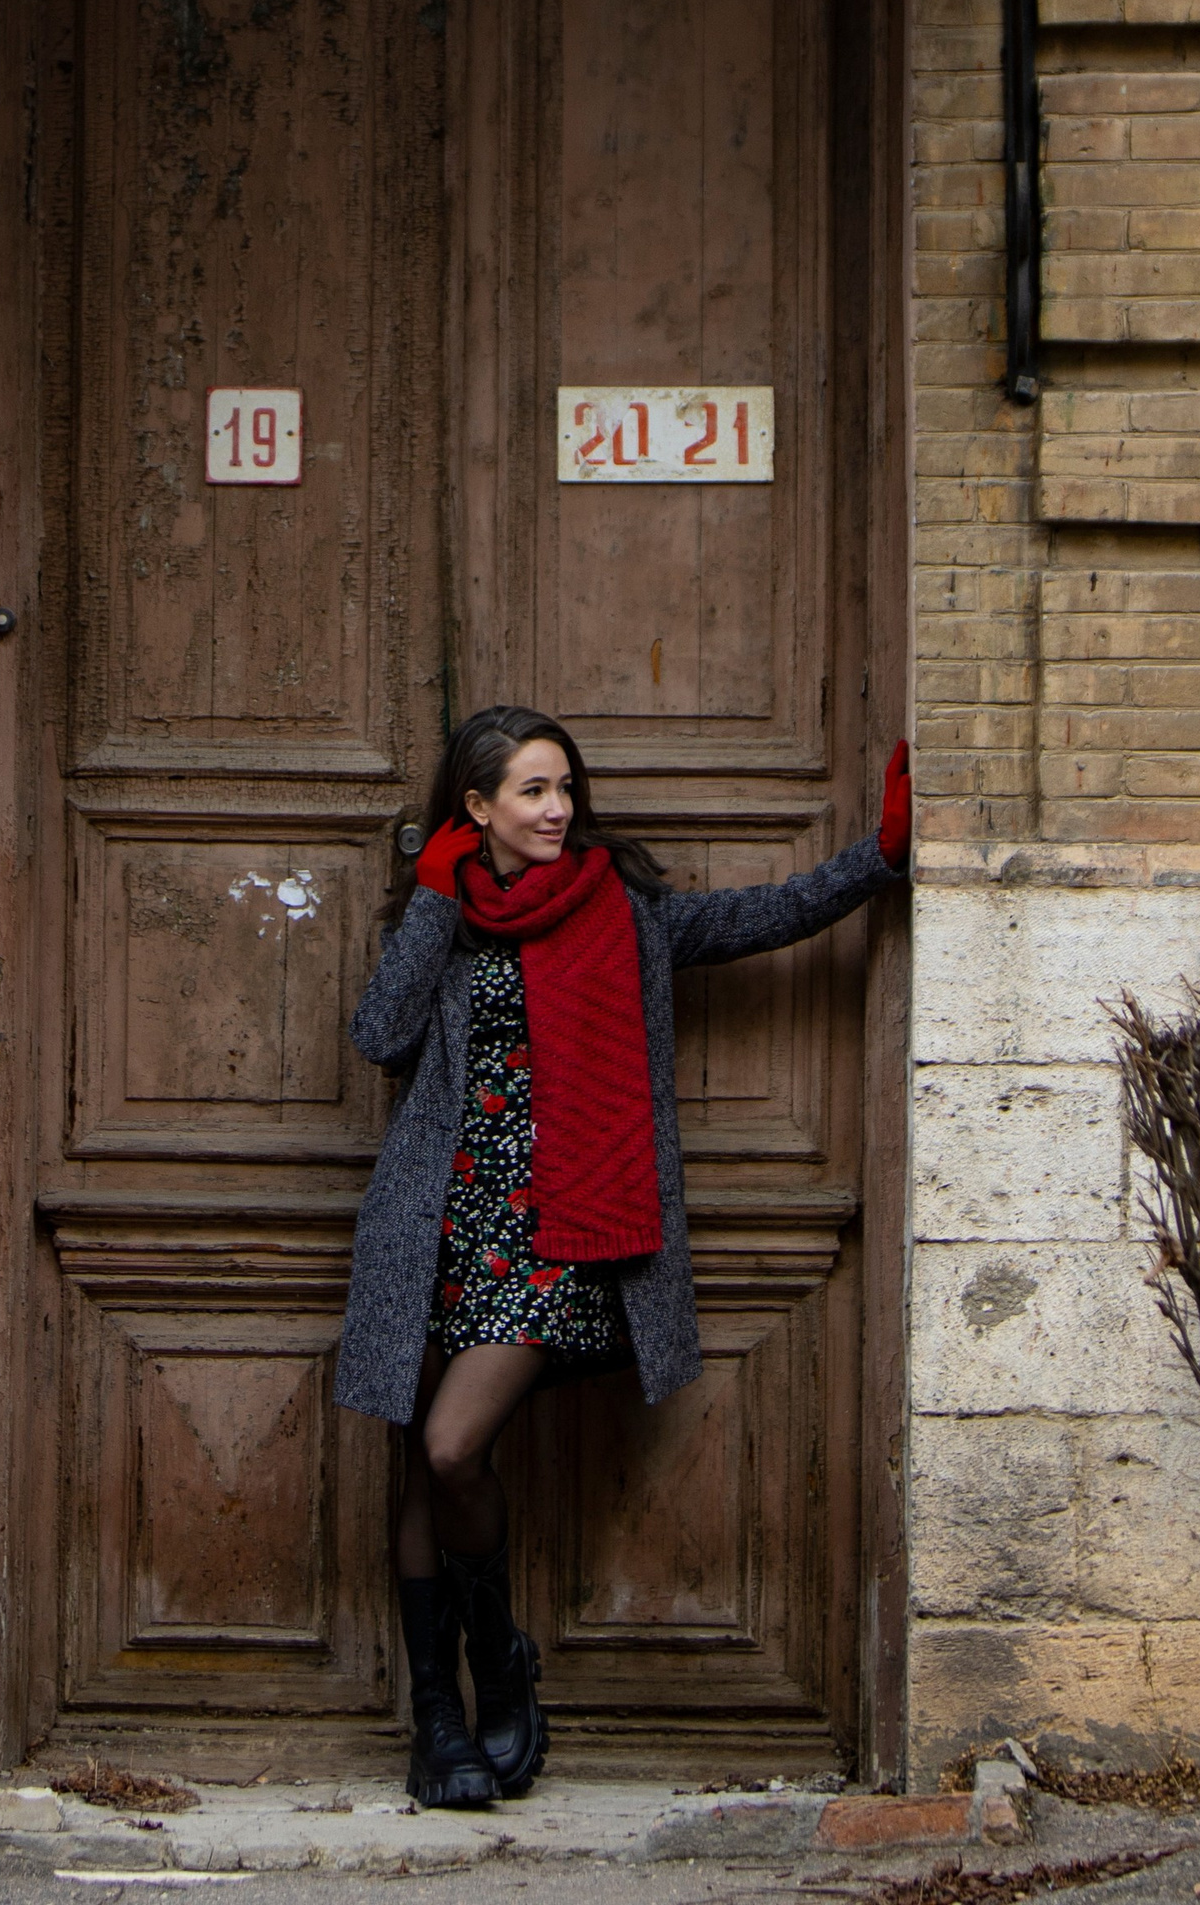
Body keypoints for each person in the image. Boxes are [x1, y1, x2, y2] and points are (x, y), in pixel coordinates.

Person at [335, 704, 912, 1809]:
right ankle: (439, 1719)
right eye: (533, 791)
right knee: (420, 1465)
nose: (558, 809)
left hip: (555, 1230)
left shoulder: (620, 910)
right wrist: (436, 898)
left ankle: (500, 1659)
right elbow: (380, 1035)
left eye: (565, 788)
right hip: (435, 1228)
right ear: (475, 806)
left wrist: (875, 858)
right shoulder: (440, 916)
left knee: (453, 1448)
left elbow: (757, 914)